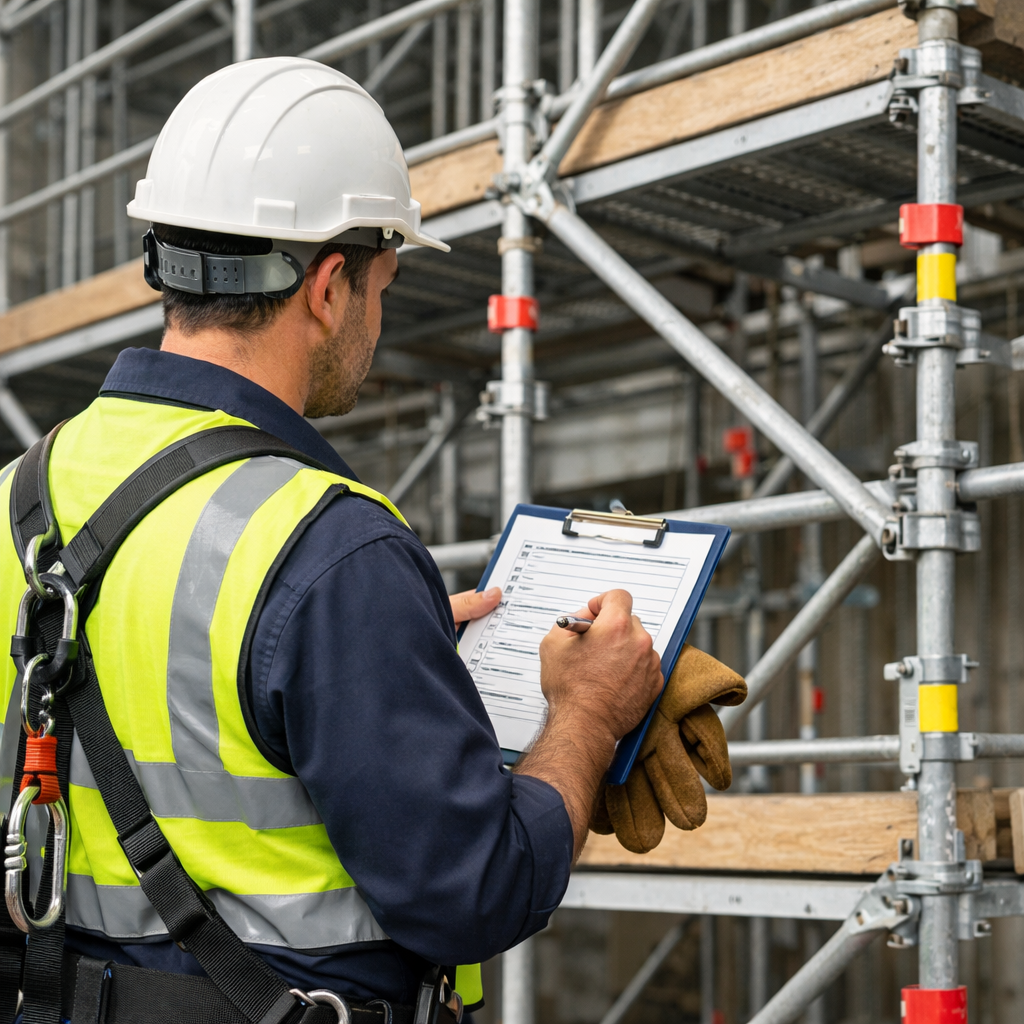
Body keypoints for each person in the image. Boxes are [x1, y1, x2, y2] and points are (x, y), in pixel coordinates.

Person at [0, 58, 665, 1023]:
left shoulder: (18, 496)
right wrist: (590, 717)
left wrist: (358, 656)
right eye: (382, 283)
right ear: (326, 287)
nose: (377, 317)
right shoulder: (329, 546)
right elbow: (474, 894)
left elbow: (163, 671)